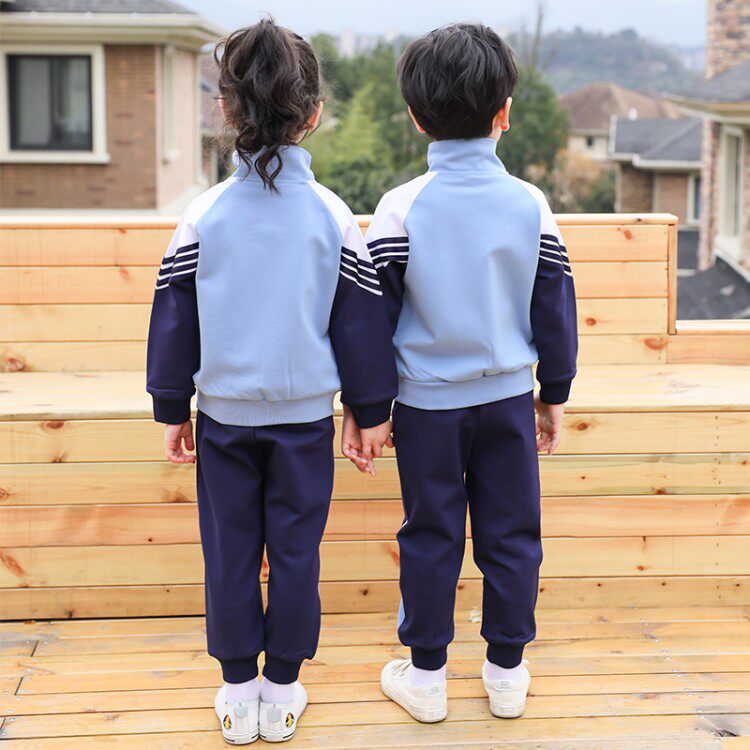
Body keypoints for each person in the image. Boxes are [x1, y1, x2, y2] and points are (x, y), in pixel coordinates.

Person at [146, 18, 396, 744]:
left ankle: (237, 689)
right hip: (303, 425)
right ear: (312, 115)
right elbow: (360, 324)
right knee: (294, 552)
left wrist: (173, 406)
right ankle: (282, 686)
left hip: (224, 422)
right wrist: (370, 409)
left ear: (226, 109)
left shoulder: (202, 215)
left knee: (228, 552)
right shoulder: (333, 216)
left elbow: (173, 321)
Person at [367, 23, 578, 723]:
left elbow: (372, 321)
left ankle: (426, 679)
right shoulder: (530, 203)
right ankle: (506, 674)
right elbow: (555, 309)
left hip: (425, 409)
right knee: (513, 535)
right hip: (510, 403)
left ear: (416, 116)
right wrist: (553, 393)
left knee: (430, 535)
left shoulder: (399, 206)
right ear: (504, 113)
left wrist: (370, 408)